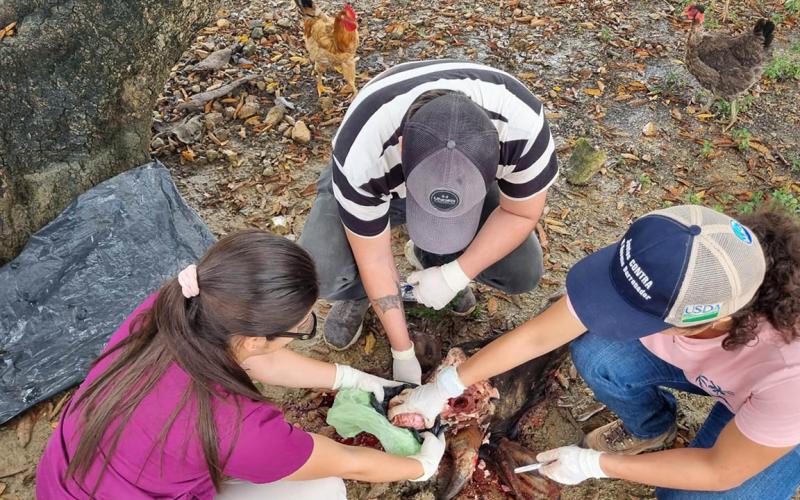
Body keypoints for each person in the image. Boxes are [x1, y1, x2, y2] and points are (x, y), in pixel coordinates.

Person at [389, 205, 800, 498]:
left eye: (636, 314)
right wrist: (445, 385)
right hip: (717, 367)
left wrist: (597, 466)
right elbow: (537, 337)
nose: (614, 311)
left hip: (773, 407)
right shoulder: (681, 258)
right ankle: (652, 427)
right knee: (599, 355)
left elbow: (720, 469)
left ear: (712, 320)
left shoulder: (789, 374)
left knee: (687, 496)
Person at [36, 230, 445, 499]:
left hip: (65, 479)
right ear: (253, 339)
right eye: (301, 328)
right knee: (322, 490)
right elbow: (345, 461)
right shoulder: (234, 426)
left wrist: (352, 378)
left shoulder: (177, 306)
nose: (304, 331)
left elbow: (258, 360)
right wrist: (419, 466)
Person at [299, 59, 558, 384]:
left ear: (496, 156)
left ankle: (434, 261)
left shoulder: (522, 129)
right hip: (380, 183)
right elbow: (375, 258)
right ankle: (359, 294)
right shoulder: (362, 152)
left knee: (521, 270)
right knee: (320, 270)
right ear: (402, 145)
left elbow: (520, 213)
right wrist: (402, 350)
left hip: (470, 183)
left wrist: (455, 274)